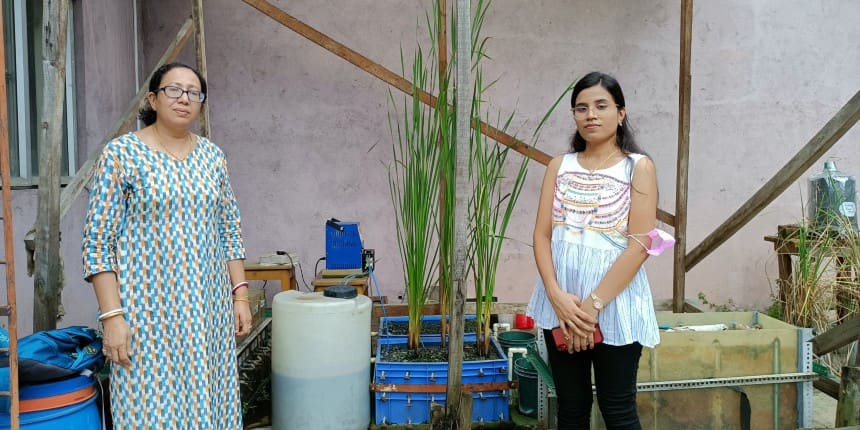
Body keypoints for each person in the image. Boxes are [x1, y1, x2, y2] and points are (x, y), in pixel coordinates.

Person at [82, 62, 253, 429]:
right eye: (174, 90)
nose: (184, 99)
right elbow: (98, 242)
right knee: (151, 409)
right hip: (146, 316)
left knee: (211, 404)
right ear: (153, 99)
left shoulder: (212, 156)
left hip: (207, 314)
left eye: (194, 93)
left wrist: (240, 296)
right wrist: (112, 318)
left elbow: (229, 228)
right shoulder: (120, 155)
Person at [526, 71, 661, 430]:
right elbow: (541, 236)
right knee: (571, 408)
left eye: (601, 106)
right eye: (581, 108)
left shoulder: (638, 167)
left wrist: (590, 308)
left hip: (614, 304)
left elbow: (640, 245)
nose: (591, 115)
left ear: (621, 112)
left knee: (618, 410)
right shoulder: (559, 166)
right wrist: (557, 297)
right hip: (562, 305)